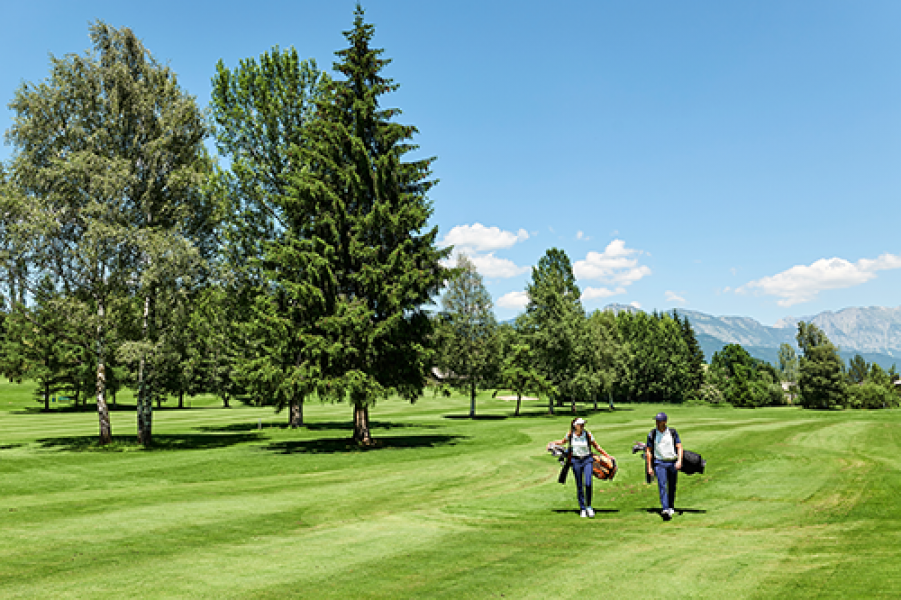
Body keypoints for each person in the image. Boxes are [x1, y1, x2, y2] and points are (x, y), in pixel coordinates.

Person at [553, 417, 611, 518]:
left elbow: (596, 446)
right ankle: (582, 508)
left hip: (587, 460)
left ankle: (589, 506)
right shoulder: (570, 435)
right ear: (575, 426)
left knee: (588, 483)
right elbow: (562, 442)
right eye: (580, 424)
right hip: (576, 461)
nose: (583, 426)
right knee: (579, 485)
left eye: (583, 424)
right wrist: (552, 443)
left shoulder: (588, 435)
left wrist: (607, 456)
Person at [645, 412, 683, 520]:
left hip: (672, 462)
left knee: (672, 486)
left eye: (659, 421)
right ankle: (665, 509)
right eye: (656, 421)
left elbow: (679, 447)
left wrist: (679, 461)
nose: (657, 423)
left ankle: (671, 506)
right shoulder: (652, 434)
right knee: (662, 485)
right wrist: (649, 467)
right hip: (659, 462)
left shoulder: (672, 432)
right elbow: (649, 451)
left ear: (665, 422)